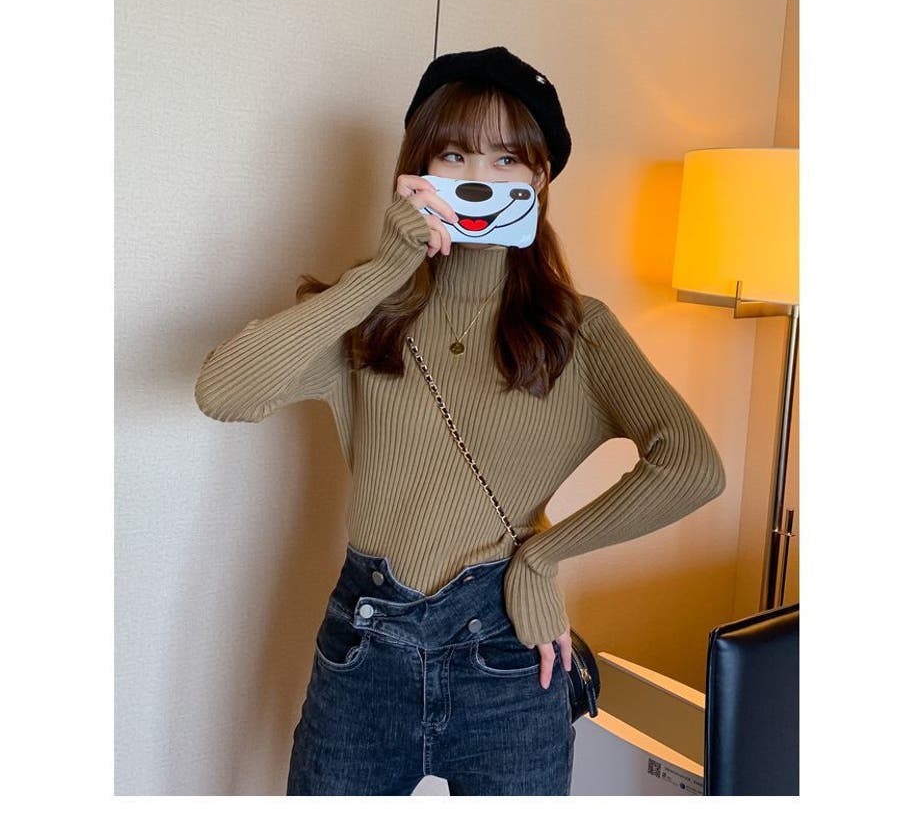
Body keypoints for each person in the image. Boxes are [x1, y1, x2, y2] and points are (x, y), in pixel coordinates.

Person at [194, 46, 726, 796]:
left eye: (508, 158)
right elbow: (223, 392)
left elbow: (694, 466)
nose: (481, 176)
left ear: (540, 181)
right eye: (454, 154)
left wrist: (542, 559)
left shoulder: (578, 332)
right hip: (364, 648)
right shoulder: (365, 315)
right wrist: (383, 271)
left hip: (507, 653)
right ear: (417, 172)